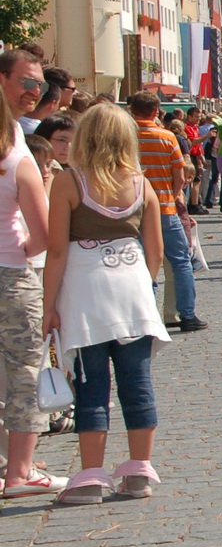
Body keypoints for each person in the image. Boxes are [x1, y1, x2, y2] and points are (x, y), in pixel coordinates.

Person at [41, 104, 172, 504]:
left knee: (90, 384)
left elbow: (57, 251)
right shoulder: (140, 183)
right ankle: (138, 473)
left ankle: (92, 477)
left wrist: (48, 305)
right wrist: (140, 286)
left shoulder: (68, 182)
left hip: (84, 291)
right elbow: (156, 250)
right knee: (137, 384)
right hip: (131, 288)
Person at [0, 88, 62, 497]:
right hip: (11, 274)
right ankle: (20, 472)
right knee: (25, 371)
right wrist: (21, 249)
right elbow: (43, 234)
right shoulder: (18, 163)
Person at [129, 93, 204, 331]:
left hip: (134, 211)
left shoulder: (125, 137)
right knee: (181, 262)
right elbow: (180, 177)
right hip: (164, 207)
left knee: (141, 263)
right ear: (156, 112)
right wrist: (169, 198)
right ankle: (187, 315)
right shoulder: (167, 137)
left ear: (132, 110)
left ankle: (146, 316)